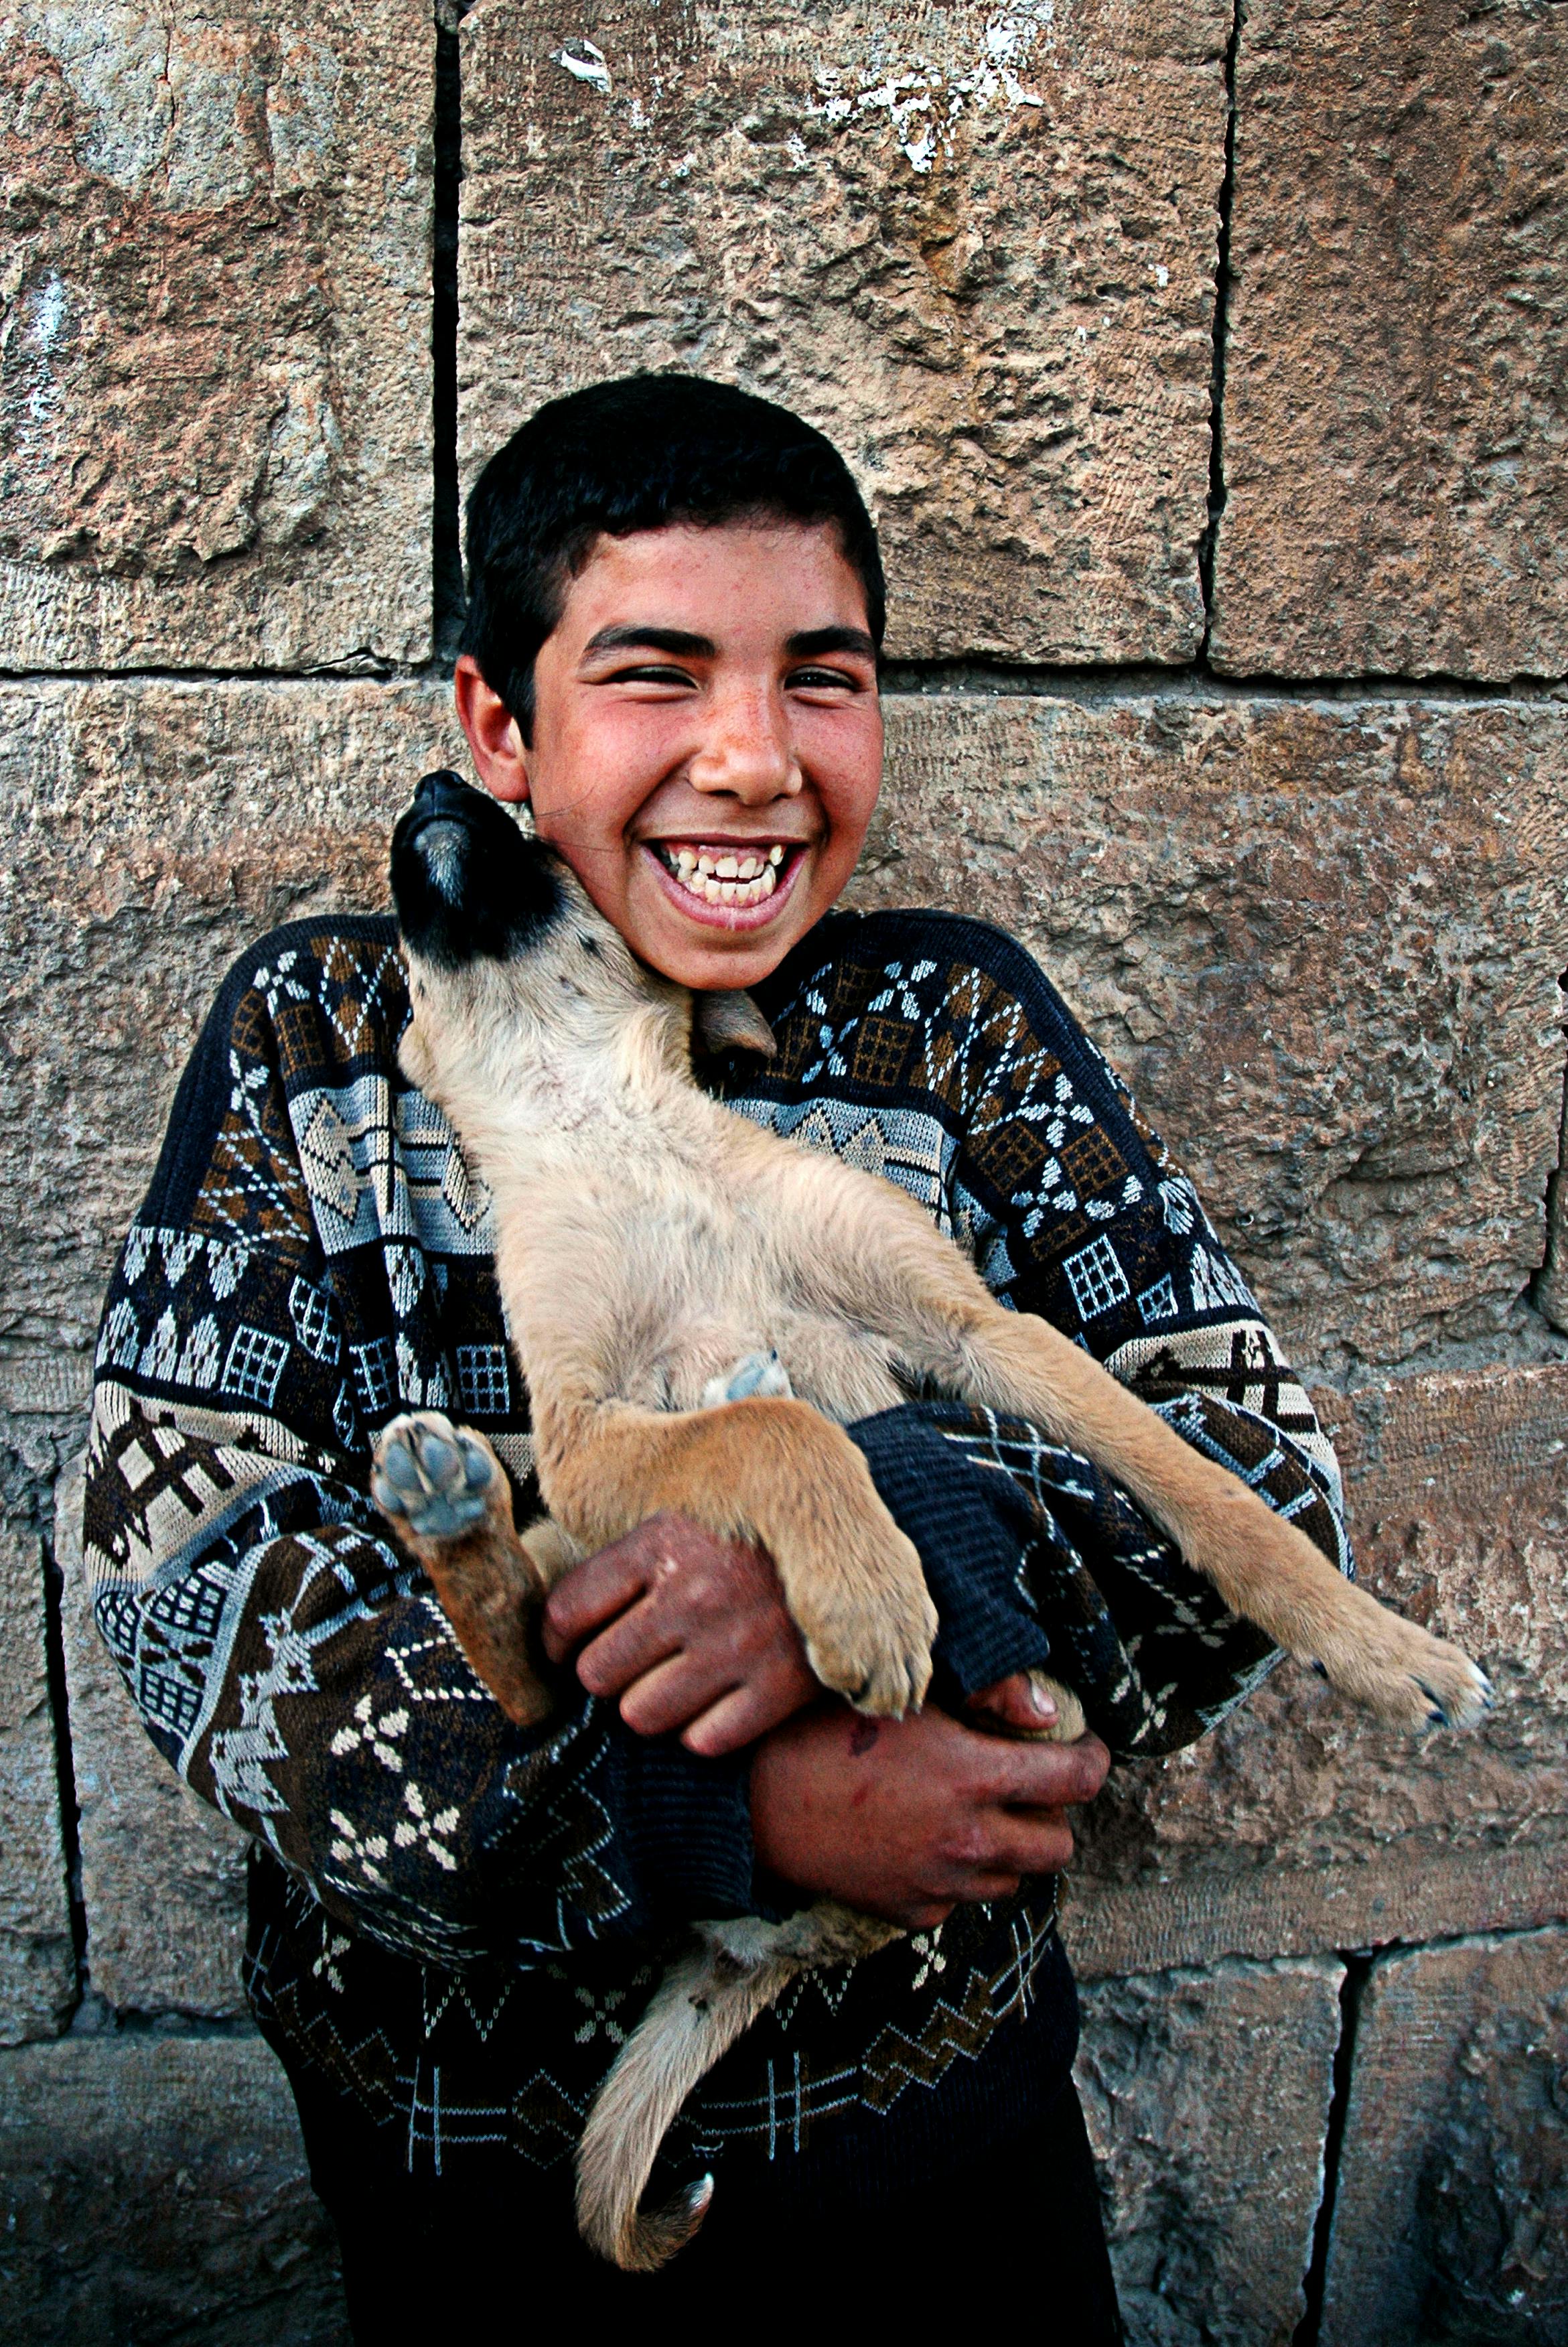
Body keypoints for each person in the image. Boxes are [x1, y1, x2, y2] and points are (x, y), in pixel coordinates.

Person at [83, 375, 1350, 2336]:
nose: (751, 762)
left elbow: (1255, 1479)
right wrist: (710, 1810)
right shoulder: (325, 1047)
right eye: (658, 676)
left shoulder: (952, 1026)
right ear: (500, 725)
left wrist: (891, 1537)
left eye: (819, 680)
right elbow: (189, 1589)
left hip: (945, 2164)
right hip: (473, 2198)